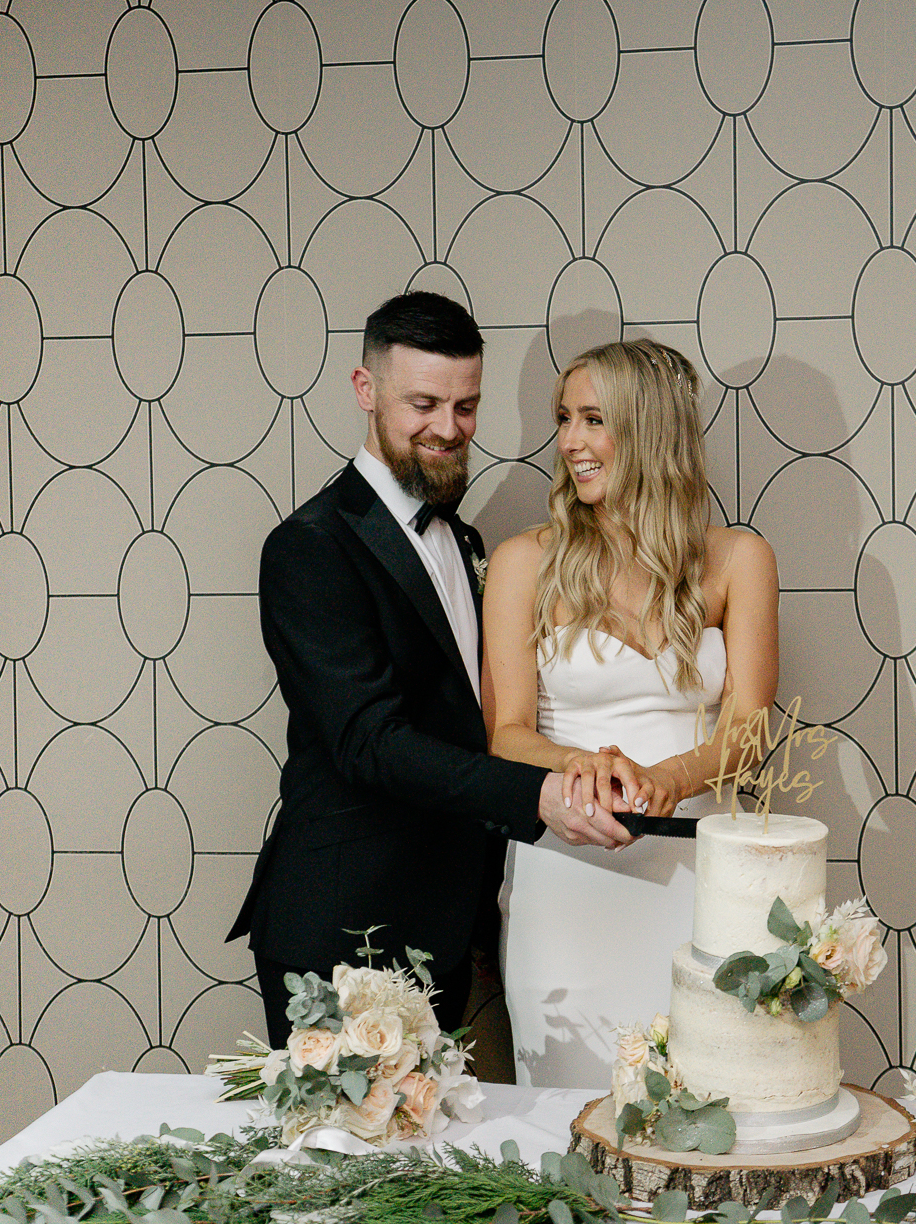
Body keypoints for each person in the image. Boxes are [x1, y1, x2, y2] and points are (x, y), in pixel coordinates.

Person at [227, 291, 634, 1048]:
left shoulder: (470, 541)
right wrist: (536, 793)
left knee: (431, 1165)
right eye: (423, 403)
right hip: (343, 928)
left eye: (467, 406)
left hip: (448, 922)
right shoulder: (309, 547)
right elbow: (369, 742)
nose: (448, 428)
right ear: (365, 390)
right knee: (336, 1168)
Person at [481, 338, 779, 1088]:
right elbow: (505, 733)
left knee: (712, 1112)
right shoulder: (524, 563)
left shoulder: (738, 559)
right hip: (567, 875)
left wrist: (672, 776)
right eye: (563, 419)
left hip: (696, 876)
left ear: (648, 430)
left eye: (592, 419)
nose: (570, 442)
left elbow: (750, 728)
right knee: (570, 1117)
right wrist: (582, 765)